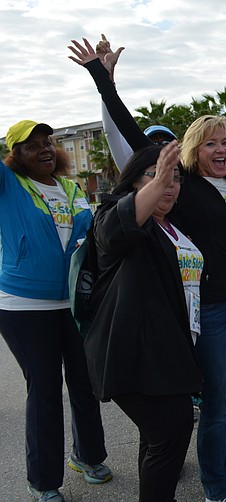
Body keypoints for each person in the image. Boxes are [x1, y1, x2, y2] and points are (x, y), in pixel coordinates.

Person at [69, 36, 226, 502]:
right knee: (218, 403)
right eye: (210, 143)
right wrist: (104, 80)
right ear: (189, 153)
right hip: (213, 310)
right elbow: (131, 141)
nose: (220, 149)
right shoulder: (180, 193)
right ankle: (218, 486)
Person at [0, 120, 111, 502]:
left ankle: (89, 457)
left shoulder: (71, 187)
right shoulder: (8, 186)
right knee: (45, 388)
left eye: (48, 142)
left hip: (74, 302)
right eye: (32, 146)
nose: (45, 149)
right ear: (13, 155)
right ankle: (44, 482)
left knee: (85, 382)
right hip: (24, 306)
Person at [87, 142, 202, 501]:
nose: (169, 185)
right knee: (172, 431)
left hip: (169, 351)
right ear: (135, 183)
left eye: (175, 178)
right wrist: (110, 95)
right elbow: (112, 233)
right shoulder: (113, 215)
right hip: (132, 353)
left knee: (155, 437)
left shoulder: (173, 225)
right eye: (157, 177)